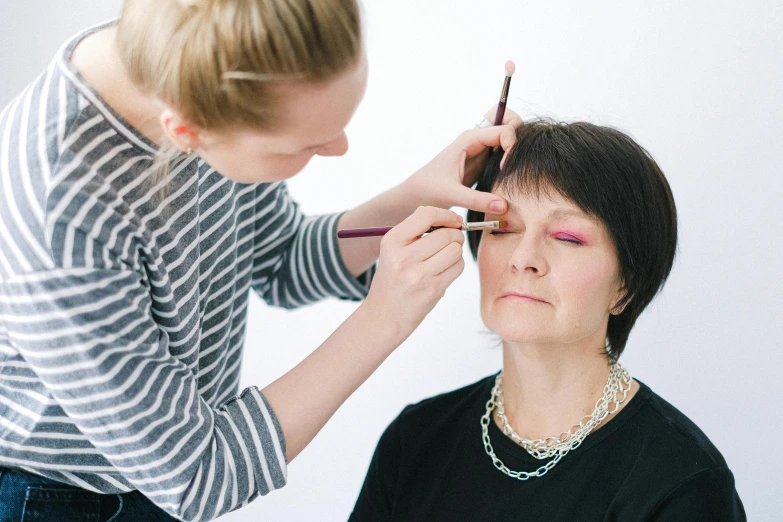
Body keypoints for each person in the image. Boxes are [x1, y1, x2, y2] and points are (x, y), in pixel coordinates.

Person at [0, 0, 522, 520]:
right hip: (70, 503)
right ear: (185, 131)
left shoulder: (199, 54)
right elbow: (201, 476)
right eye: (305, 144)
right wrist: (383, 319)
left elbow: (282, 258)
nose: (339, 148)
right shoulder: (62, 219)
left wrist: (414, 195)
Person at [350, 120, 746, 521]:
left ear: (625, 285)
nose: (523, 258)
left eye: (567, 238)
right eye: (501, 228)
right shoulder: (415, 440)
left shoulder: (682, 481)